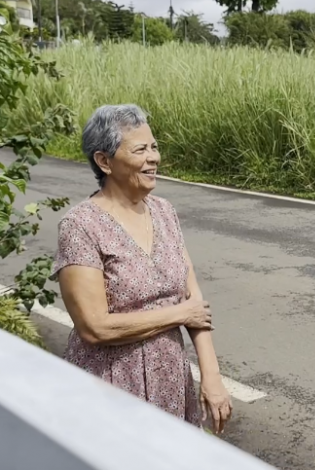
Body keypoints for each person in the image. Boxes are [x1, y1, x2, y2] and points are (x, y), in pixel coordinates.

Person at [51, 104, 233, 434]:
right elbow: (95, 328)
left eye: (154, 147)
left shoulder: (164, 212)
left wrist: (211, 375)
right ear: (104, 161)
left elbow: (194, 301)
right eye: (140, 150)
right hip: (110, 385)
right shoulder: (80, 226)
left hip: (171, 383)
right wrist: (178, 315)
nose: (154, 158)